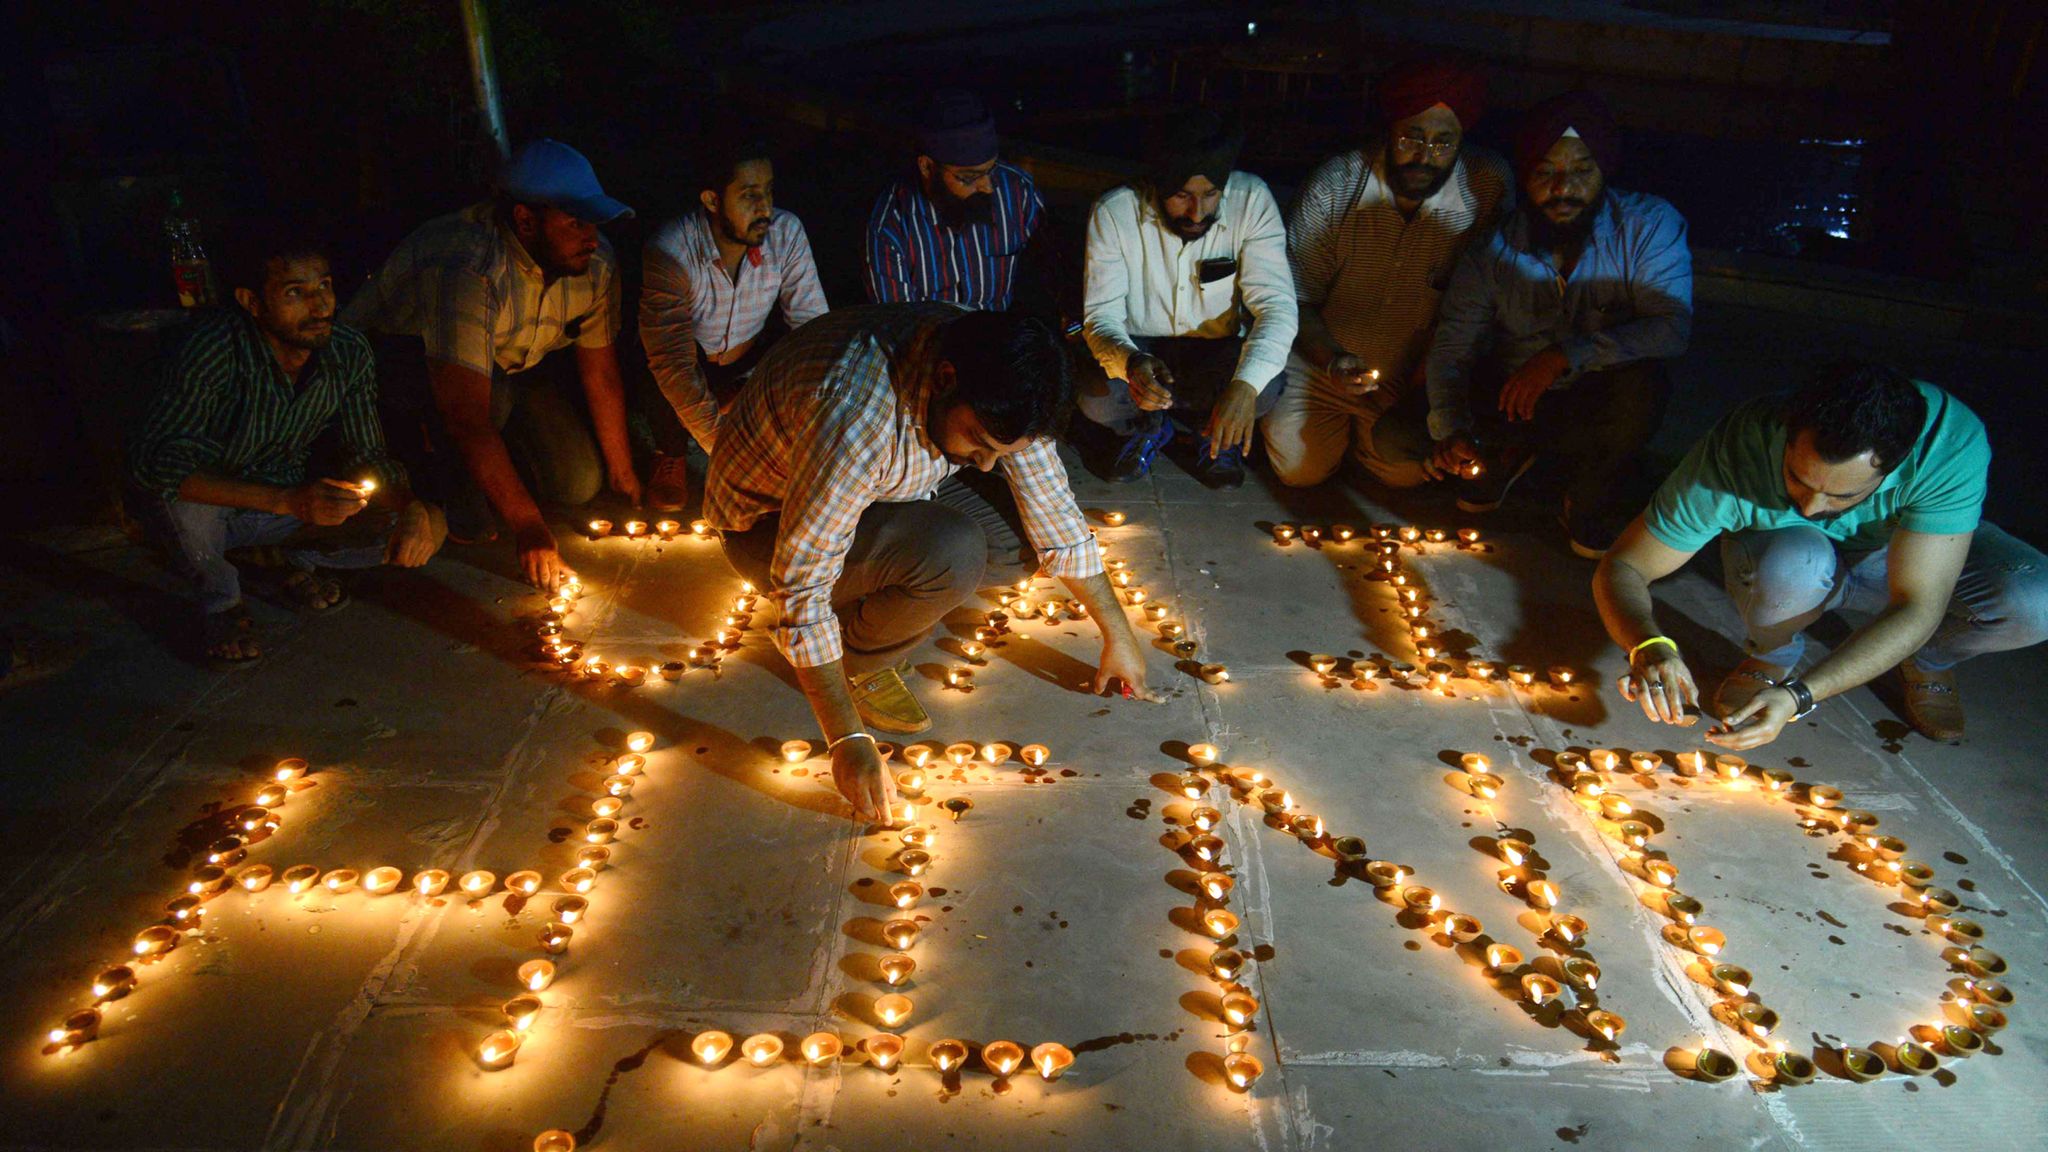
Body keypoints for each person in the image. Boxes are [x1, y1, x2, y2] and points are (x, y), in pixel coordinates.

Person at [704, 303, 1163, 821]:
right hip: (766, 524)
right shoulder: (856, 411)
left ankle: (885, 588)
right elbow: (803, 582)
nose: (987, 464)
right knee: (954, 552)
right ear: (946, 379)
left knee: (1020, 543)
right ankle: (860, 659)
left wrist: (1118, 634)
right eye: (980, 443)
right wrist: (846, 737)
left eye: (1000, 451)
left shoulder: (993, 366)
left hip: (877, 495)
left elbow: (1052, 509)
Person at [1593, 362, 2047, 746]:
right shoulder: (1743, 445)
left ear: (1895, 467)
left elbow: (1920, 602)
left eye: (1841, 495)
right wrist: (1649, 644)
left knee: (2035, 600)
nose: (1811, 507)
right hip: (1788, 555)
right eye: (1798, 478)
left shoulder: (1947, 444)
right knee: (1792, 561)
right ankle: (1772, 658)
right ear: (1788, 435)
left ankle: (1929, 661)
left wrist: (1800, 697)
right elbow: (1625, 565)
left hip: (1904, 550)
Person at [128, 217, 446, 667]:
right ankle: (223, 601)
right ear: (252, 302)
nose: (320, 307)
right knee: (184, 508)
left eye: (326, 287)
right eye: (295, 293)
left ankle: (277, 559)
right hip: (211, 504)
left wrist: (412, 507)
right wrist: (287, 501)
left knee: (419, 531)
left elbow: (367, 453)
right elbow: (157, 466)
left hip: (282, 506)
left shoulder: (347, 349)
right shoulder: (214, 348)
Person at [345, 138, 644, 591]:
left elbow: (599, 372)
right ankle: (444, 495)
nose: (592, 237)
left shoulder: (594, 261)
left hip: (513, 366)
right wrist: (529, 528)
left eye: (595, 222)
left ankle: (497, 476)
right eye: (576, 221)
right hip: (400, 371)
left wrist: (624, 481)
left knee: (579, 482)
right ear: (525, 220)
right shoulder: (466, 263)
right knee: (482, 456)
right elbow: (466, 415)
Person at [1426, 90, 1692, 558]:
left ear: (1604, 170)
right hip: (1514, 399)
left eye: (1581, 171)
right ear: (1525, 175)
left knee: (1645, 386)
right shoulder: (1493, 248)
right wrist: (1451, 429)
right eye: (1545, 171)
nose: (1563, 188)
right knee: (1407, 436)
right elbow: (1453, 348)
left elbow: (1671, 328)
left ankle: (1589, 493)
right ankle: (1505, 457)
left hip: (1599, 397)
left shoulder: (1648, 226)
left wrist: (1567, 355)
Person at [1264, 57, 1511, 490]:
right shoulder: (1337, 183)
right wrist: (1333, 359)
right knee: (1300, 470)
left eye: (1442, 144)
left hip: (1410, 374)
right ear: (1390, 131)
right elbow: (1294, 297)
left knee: (1405, 474)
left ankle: (1370, 444)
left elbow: (1481, 306)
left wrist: (1422, 392)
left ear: (1461, 141)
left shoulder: (1485, 185)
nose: (1424, 157)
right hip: (1319, 362)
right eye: (1411, 138)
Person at [1077, 110, 1297, 488]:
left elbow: (1277, 306)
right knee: (1096, 397)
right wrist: (1132, 364)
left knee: (1265, 387)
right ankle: (1148, 426)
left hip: (1217, 351)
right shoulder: (1115, 211)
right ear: (1159, 185)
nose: (1198, 212)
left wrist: (1244, 386)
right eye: (1182, 196)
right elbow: (1101, 316)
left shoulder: (1252, 200)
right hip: (1142, 348)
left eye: (1211, 195)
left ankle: (1211, 434)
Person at [639, 136, 827, 480]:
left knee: (803, 356)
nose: (765, 210)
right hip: (693, 359)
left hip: (748, 362)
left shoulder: (785, 233)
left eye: (769, 192)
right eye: (749, 196)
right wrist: (724, 452)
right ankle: (672, 452)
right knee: (662, 378)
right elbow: (673, 362)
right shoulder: (671, 251)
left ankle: (740, 400)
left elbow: (812, 329)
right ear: (712, 200)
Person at [862, 88, 1066, 319]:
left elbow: (1055, 273)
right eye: (969, 178)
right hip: (930, 347)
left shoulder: (1018, 193)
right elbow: (899, 323)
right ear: (927, 167)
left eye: (991, 171)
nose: (988, 187)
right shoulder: (891, 225)